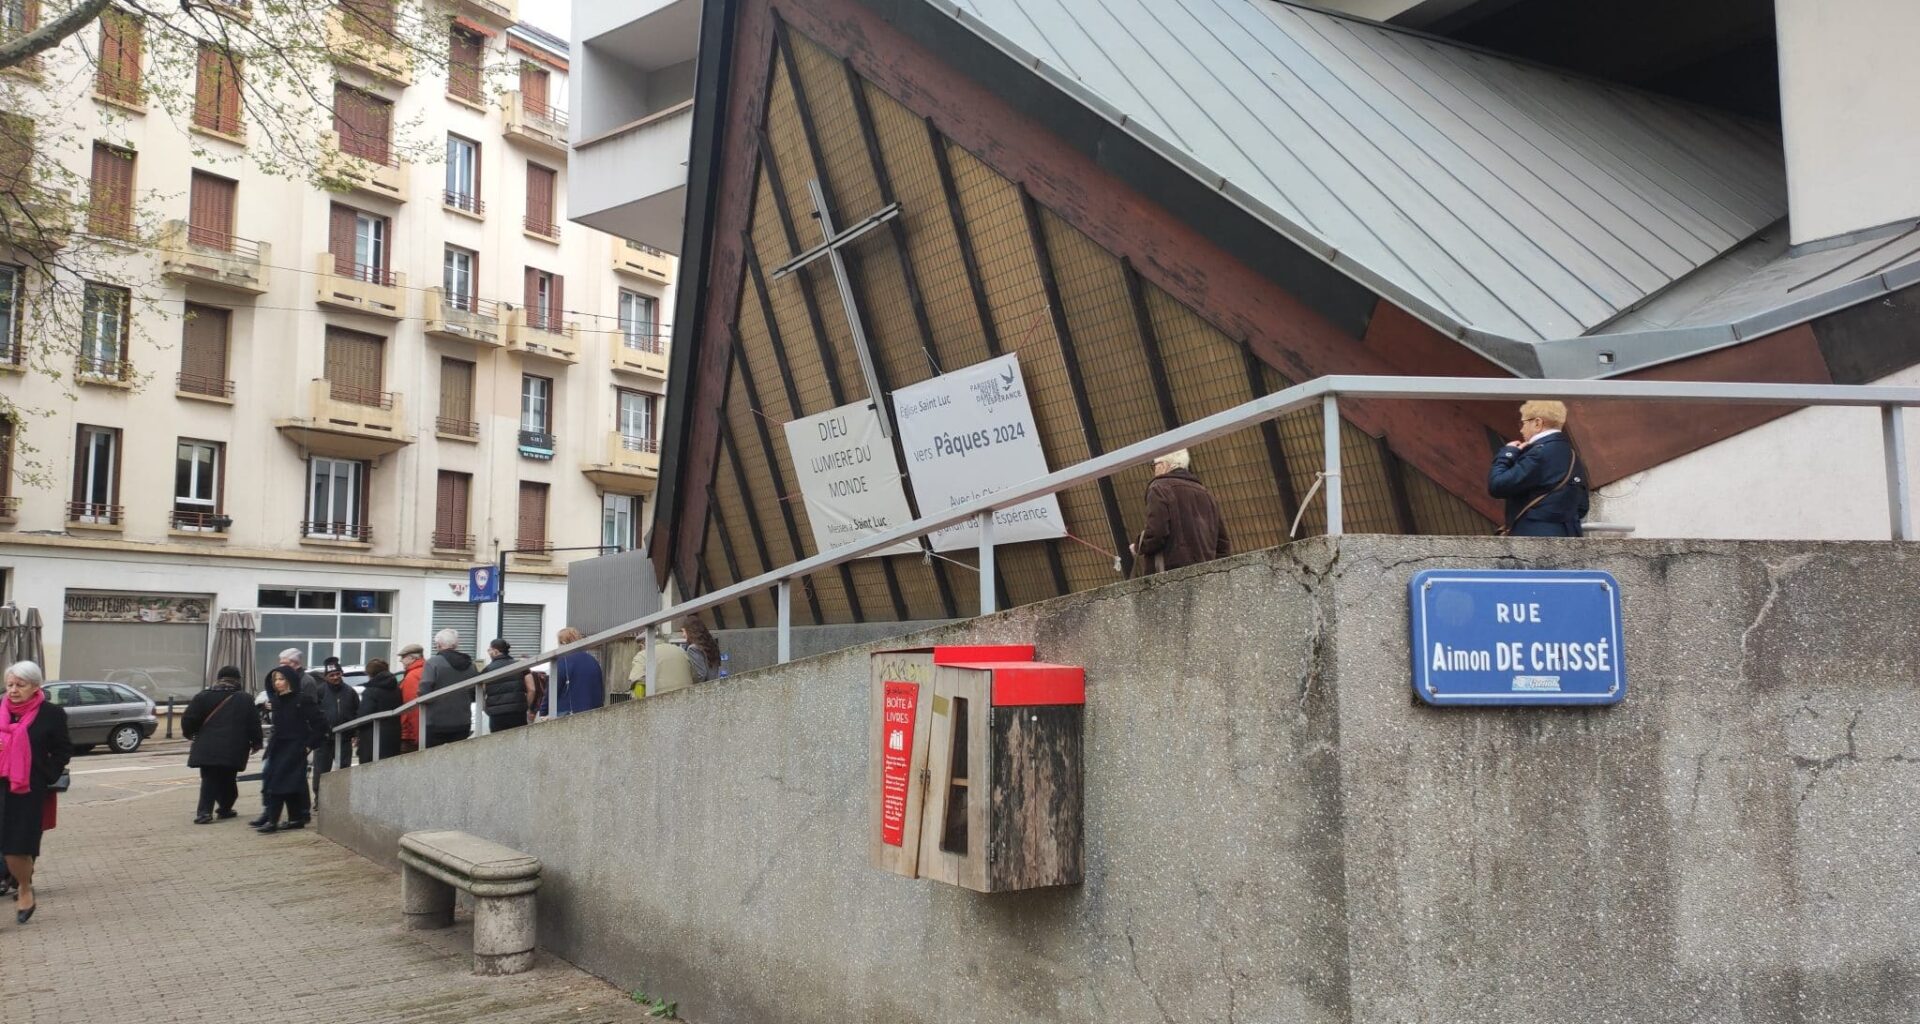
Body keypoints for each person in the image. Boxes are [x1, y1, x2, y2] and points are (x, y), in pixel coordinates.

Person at [0, 661, 71, 924]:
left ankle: (24, 887)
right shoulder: (0, 708)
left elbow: (63, 750)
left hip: (27, 787)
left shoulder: (51, 714)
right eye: (10, 685)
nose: (13, 690)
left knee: (15, 847)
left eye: (20, 685)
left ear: (35, 686)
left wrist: (44, 774)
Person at [1487, 400, 1589, 537]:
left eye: (1523, 423)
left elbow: (1498, 485)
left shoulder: (1538, 453)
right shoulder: (1572, 455)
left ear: (1537, 423)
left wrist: (1507, 454)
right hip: (1569, 537)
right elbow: (1582, 506)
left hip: (1534, 538)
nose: (1521, 429)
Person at [182, 665, 262, 824]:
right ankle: (225, 808)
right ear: (238, 680)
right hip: (234, 747)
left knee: (209, 779)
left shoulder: (203, 696)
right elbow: (253, 723)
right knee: (228, 778)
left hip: (207, 746)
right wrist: (257, 742)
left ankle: (204, 812)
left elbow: (189, 719)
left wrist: (190, 734)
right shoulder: (245, 699)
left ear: (218, 679)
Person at [1130, 449, 1230, 574]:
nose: (1154, 471)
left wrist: (1138, 546)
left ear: (1163, 465)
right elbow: (1222, 543)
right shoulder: (1206, 493)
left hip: (1171, 574)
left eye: (1154, 466)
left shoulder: (1159, 488)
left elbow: (1157, 532)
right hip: (1206, 575)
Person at [255, 666, 325, 833]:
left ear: (290, 681)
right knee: (289, 783)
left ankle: (272, 821)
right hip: (278, 746)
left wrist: (309, 744)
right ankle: (296, 818)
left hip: (295, 747)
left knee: (279, 783)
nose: (278, 683)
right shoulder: (276, 702)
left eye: (281, 679)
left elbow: (320, 724)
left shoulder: (302, 700)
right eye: (275, 680)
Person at [310, 660, 360, 806]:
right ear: (326, 676)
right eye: (331, 675)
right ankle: (320, 800)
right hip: (324, 740)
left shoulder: (350, 692)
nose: (335, 677)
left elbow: (357, 712)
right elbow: (313, 714)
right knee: (321, 771)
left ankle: (343, 799)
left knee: (344, 770)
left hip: (344, 739)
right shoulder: (320, 691)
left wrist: (356, 733)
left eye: (338, 674)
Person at [418, 629, 478, 747]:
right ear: (455, 645)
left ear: (438, 645)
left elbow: (425, 691)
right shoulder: (470, 665)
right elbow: (474, 692)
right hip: (463, 720)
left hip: (436, 721)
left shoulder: (433, 663)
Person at [548, 627, 605, 717]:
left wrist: (544, 711)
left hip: (567, 713)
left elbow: (553, 688)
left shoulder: (563, 661)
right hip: (593, 712)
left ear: (564, 642)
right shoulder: (593, 660)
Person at [356, 659, 402, 763]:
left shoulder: (371, 691)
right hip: (393, 736)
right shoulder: (396, 688)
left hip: (372, 738)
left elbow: (363, 716)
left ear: (371, 674)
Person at [481, 639, 527, 733]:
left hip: (497, 714)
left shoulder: (487, 670)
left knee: (498, 742)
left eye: (489, 649)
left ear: (495, 651)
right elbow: (532, 688)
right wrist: (526, 705)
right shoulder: (520, 666)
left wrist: (486, 708)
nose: (488, 652)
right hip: (518, 712)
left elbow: (481, 692)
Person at [396, 644, 425, 753]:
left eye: (403, 657)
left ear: (412, 658)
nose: (401, 661)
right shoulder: (425, 670)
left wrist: (418, 736)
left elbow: (413, 707)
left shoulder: (412, 676)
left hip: (410, 734)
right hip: (419, 730)